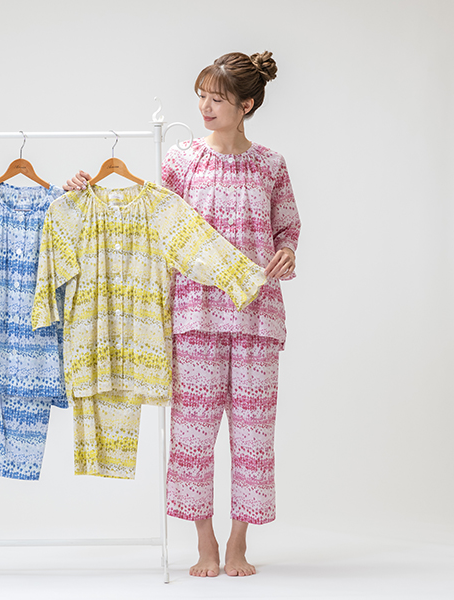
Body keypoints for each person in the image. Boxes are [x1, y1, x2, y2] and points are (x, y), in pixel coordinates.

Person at [64, 50, 300, 578]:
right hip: (194, 316)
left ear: (246, 105)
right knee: (192, 436)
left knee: (254, 437)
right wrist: (84, 192)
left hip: (258, 318)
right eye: (201, 96)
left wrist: (287, 251)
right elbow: (147, 218)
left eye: (217, 99)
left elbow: (287, 228)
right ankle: (204, 542)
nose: (205, 107)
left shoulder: (271, 165)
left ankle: (239, 542)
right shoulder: (180, 160)